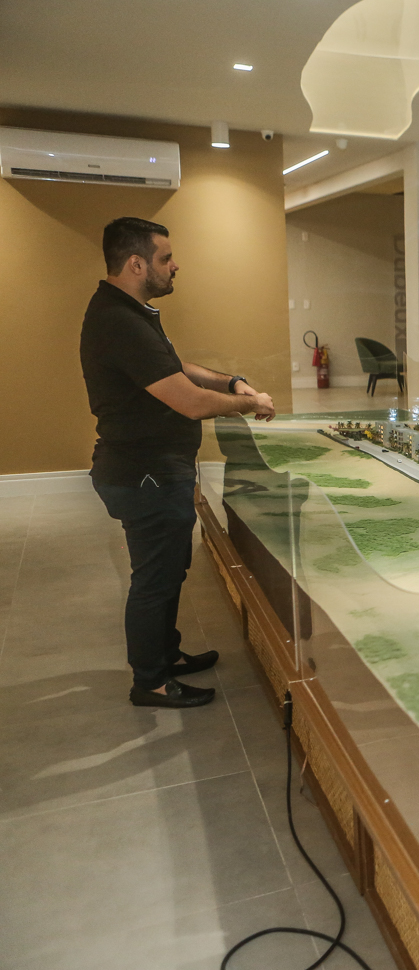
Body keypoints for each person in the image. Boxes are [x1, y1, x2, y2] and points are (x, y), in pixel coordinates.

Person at [81, 217, 277, 709]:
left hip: (152, 469)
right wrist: (249, 402)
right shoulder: (119, 320)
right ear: (136, 264)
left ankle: (164, 655)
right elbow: (188, 401)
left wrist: (230, 381)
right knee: (154, 580)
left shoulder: (128, 312)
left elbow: (171, 366)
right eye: (165, 258)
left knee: (168, 570)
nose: (174, 266)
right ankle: (150, 681)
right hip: (143, 473)